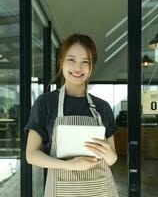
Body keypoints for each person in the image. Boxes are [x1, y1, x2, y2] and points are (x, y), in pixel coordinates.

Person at [25, 34, 118, 196]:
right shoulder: (45, 103)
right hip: (62, 189)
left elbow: (112, 160)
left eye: (85, 62)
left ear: (91, 67)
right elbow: (31, 155)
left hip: (99, 189)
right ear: (61, 62)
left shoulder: (102, 107)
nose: (78, 68)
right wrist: (71, 165)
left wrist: (107, 152)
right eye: (71, 60)